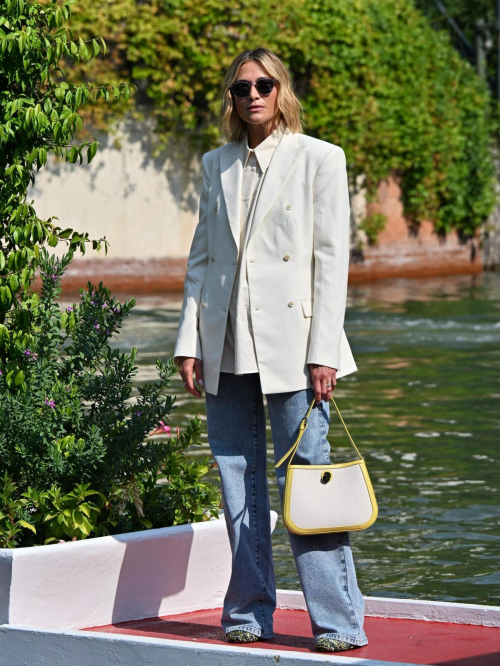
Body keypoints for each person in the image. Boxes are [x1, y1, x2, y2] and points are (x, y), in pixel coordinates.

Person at [173, 47, 367, 653]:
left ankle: (338, 623)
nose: (252, 94)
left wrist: (324, 352)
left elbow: (331, 264)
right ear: (230, 100)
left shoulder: (320, 159)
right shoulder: (216, 165)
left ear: (281, 90)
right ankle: (250, 611)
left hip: (298, 346)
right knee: (238, 480)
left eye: (263, 84)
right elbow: (202, 260)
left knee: (310, 479)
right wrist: (188, 343)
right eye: (240, 88)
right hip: (226, 345)